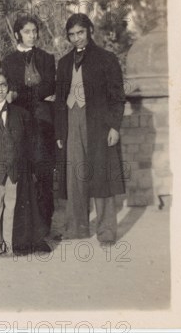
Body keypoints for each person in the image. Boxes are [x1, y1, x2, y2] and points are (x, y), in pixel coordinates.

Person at [55, 13, 126, 245]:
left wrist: (115, 126)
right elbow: (58, 101)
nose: (76, 38)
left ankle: (106, 231)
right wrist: (59, 132)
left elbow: (117, 96)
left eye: (80, 33)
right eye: (72, 34)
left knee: (102, 174)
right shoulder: (64, 63)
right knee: (75, 175)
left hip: (98, 123)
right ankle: (76, 228)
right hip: (72, 120)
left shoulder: (106, 58)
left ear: (90, 31)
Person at [0, 68, 51, 256]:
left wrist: (33, 168)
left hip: (15, 170)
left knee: (13, 205)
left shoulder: (21, 115)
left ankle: (11, 243)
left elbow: (31, 144)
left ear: (8, 87)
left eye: (3, 85)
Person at [1, 15, 56, 230]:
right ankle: (24, 227)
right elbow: (7, 90)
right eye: (27, 32)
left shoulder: (46, 58)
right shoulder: (7, 61)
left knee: (43, 173)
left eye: (34, 31)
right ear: (17, 34)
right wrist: (28, 91)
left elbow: (50, 87)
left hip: (43, 123)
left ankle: (45, 225)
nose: (32, 35)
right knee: (21, 172)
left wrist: (20, 91)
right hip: (18, 122)